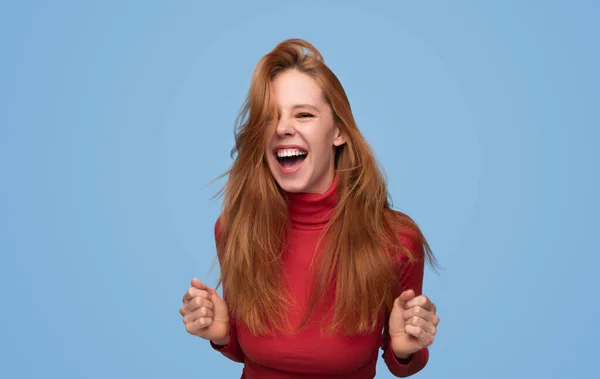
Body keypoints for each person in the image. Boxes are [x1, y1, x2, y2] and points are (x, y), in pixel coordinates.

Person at [179, 38, 440, 378]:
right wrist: (222, 333)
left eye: (303, 114)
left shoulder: (395, 239)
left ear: (339, 132)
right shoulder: (236, 228)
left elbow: (400, 361)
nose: (283, 128)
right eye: (270, 117)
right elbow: (251, 352)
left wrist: (405, 348)